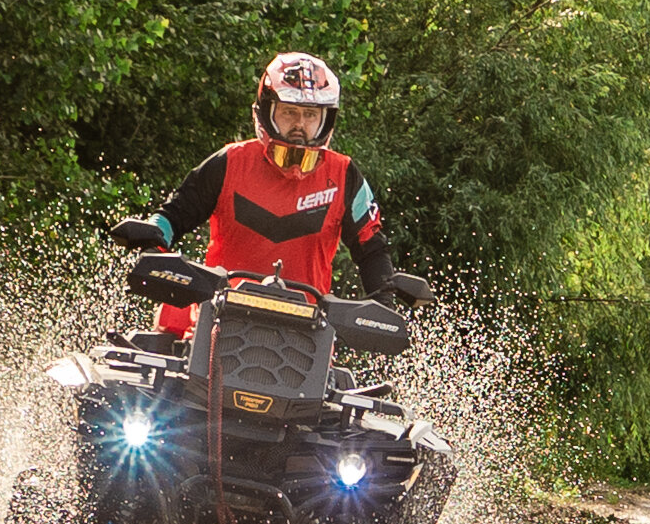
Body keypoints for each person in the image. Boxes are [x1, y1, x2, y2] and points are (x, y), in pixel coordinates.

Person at [118, 52, 425, 336]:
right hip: (214, 324)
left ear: (326, 119)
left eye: (310, 115)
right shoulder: (229, 162)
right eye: (289, 112)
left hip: (305, 335)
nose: (299, 125)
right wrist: (154, 233)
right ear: (266, 111)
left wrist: (384, 302)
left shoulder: (345, 176)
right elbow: (175, 214)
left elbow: (371, 249)